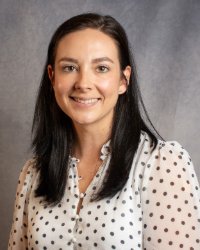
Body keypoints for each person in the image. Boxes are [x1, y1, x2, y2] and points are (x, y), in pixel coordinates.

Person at [8, 13, 200, 250]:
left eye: (101, 68)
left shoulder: (162, 163)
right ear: (52, 77)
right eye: (69, 67)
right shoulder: (33, 173)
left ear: (123, 80)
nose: (83, 83)